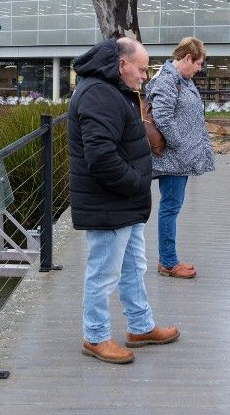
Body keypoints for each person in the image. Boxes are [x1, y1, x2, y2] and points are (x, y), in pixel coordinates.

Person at [67, 34, 180, 364]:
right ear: (122, 64)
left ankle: (141, 326)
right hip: (109, 202)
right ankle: (96, 336)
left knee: (133, 267)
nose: (145, 76)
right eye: (142, 69)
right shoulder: (98, 94)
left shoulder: (113, 89)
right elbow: (100, 158)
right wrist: (135, 183)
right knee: (103, 272)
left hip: (123, 202)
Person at [146, 37, 215, 279]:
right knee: (170, 207)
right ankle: (168, 262)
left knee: (171, 206)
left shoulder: (181, 79)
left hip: (179, 158)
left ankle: (167, 258)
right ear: (187, 58)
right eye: (198, 64)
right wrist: (182, 146)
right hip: (173, 160)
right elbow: (163, 118)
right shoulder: (167, 80)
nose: (199, 68)